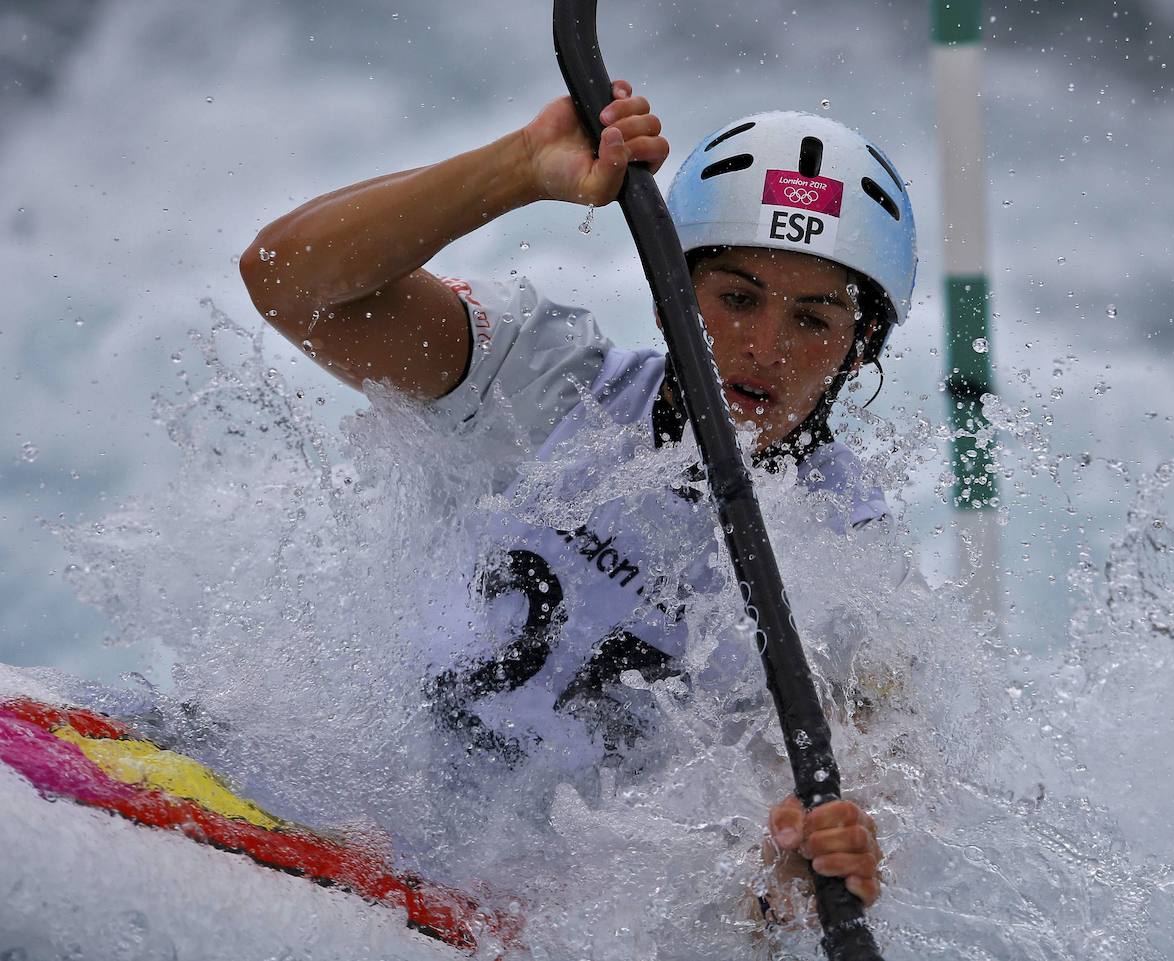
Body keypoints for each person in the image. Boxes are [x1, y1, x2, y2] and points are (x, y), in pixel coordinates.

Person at [240, 79, 915, 922]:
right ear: (672, 293)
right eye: (737, 298)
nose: (765, 347)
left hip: (561, 923)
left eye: (814, 320)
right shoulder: (541, 384)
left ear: (861, 346)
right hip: (360, 823)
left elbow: (864, 791)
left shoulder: (848, 555)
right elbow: (284, 281)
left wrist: (804, 856)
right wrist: (518, 168)